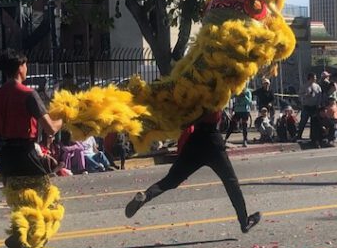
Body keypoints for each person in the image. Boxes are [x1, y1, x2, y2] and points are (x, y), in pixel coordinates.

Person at [0, 50, 64, 248]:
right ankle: (21, 242)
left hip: (6, 156)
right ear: (19, 68)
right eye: (26, 65)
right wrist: (65, 117)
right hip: (27, 156)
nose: (27, 69)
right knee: (47, 204)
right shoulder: (28, 94)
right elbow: (51, 128)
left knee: (20, 205)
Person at [124, 108, 261, 234]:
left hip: (195, 142)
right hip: (213, 143)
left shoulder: (193, 94)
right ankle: (244, 222)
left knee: (170, 180)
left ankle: (145, 196)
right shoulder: (215, 92)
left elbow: (186, 118)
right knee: (231, 182)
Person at [295, 73, 321, 142]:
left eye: (315, 78)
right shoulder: (304, 86)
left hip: (314, 107)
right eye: (314, 77)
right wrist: (305, 95)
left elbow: (319, 95)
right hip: (306, 107)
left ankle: (313, 136)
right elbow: (300, 95)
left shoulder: (317, 86)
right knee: (303, 121)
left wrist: (318, 104)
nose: (315, 79)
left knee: (314, 122)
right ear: (310, 78)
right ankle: (299, 135)